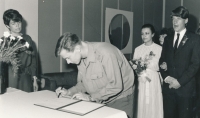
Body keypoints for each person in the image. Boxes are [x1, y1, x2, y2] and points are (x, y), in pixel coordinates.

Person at [55, 32, 135, 118]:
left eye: (68, 57)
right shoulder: (80, 59)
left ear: (77, 48)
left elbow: (116, 86)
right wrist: (69, 92)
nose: (68, 62)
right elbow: (85, 83)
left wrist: (90, 98)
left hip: (121, 98)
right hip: (101, 98)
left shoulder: (106, 53)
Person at [159, 6, 200, 118]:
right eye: (173, 18)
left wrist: (179, 82)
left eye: (178, 18)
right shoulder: (167, 39)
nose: (175, 21)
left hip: (185, 91)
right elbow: (161, 60)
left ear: (186, 20)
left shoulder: (195, 39)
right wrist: (166, 78)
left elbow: (195, 64)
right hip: (168, 90)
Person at [3, 9, 38, 92]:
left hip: (26, 78)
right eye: (13, 23)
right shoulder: (5, 41)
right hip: (11, 79)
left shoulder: (28, 39)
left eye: (18, 22)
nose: (17, 26)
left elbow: (33, 61)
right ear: (8, 26)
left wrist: (35, 80)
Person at [132, 24, 163, 118]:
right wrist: (140, 72)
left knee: (154, 101)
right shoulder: (138, 49)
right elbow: (135, 65)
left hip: (154, 79)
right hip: (142, 80)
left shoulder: (159, 49)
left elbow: (161, 66)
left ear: (153, 34)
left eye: (147, 33)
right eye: (142, 34)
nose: (144, 36)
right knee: (143, 102)